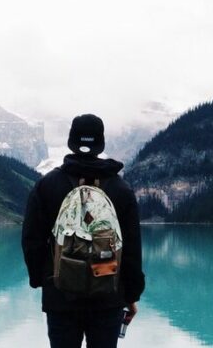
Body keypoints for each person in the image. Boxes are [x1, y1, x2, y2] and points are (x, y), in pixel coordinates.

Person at [22, 114, 145, 348]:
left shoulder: (47, 185)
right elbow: (131, 249)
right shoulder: (121, 189)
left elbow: (31, 240)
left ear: (71, 141)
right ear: (101, 143)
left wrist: (43, 280)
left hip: (60, 296)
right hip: (109, 295)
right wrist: (131, 295)